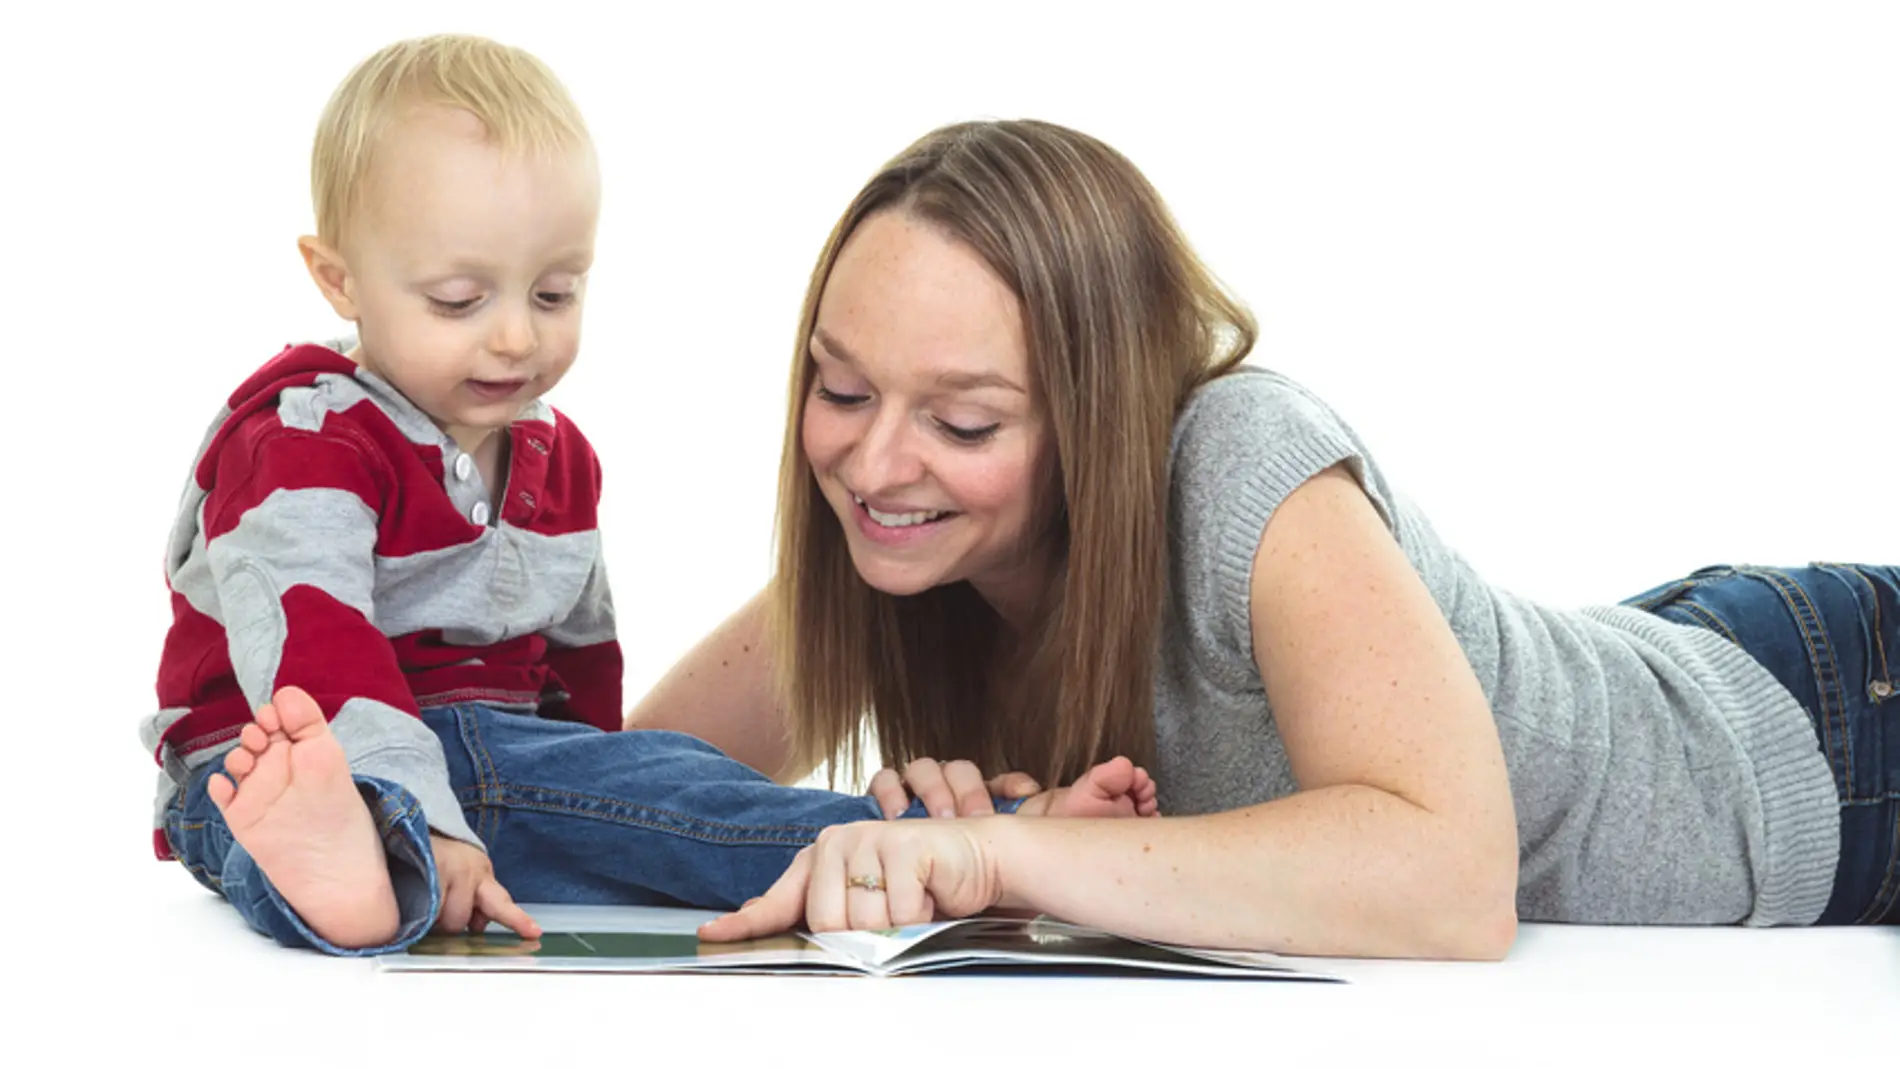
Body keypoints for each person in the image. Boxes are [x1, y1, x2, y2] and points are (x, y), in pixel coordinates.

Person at [617, 117, 1898, 959]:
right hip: (1664, 663)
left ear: (1100, 419)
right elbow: (608, 794)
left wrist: (1001, 849)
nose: (873, 460)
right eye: (840, 389)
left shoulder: (1240, 460)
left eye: (963, 418)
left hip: (1831, 730)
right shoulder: (901, 538)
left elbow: (1452, 881)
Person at [138, 37, 1157, 959]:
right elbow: (312, 648)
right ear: (338, 279)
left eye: (553, 292)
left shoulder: (555, 455)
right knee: (263, 822)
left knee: (671, 789)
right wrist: (409, 806)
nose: (514, 339)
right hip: (273, 757)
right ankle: (356, 870)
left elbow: (581, 654)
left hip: (494, 771)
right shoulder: (305, 440)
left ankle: (961, 855)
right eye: (459, 300)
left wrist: (595, 773)